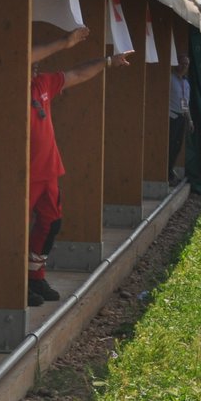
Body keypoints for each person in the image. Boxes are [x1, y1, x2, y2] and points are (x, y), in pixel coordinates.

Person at [27, 27, 130, 306]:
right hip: (22, 176)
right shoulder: (6, 86)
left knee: (51, 223)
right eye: (31, 62)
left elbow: (78, 74)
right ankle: (16, 284)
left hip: (48, 172)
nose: (35, 66)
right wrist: (64, 42)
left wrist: (108, 61)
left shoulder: (42, 84)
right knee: (16, 228)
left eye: (37, 64)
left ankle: (34, 277)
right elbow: (24, 56)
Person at [168, 61, 190, 183]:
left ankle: (171, 170)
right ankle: (167, 173)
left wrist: (189, 119)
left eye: (186, 64)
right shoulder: (170, 78)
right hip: (172, 116)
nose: (184, 66)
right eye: (182, 63)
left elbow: (186, 103)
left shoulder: (186, 83)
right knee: (170, 146)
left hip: (182, 117)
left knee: (177, 146)